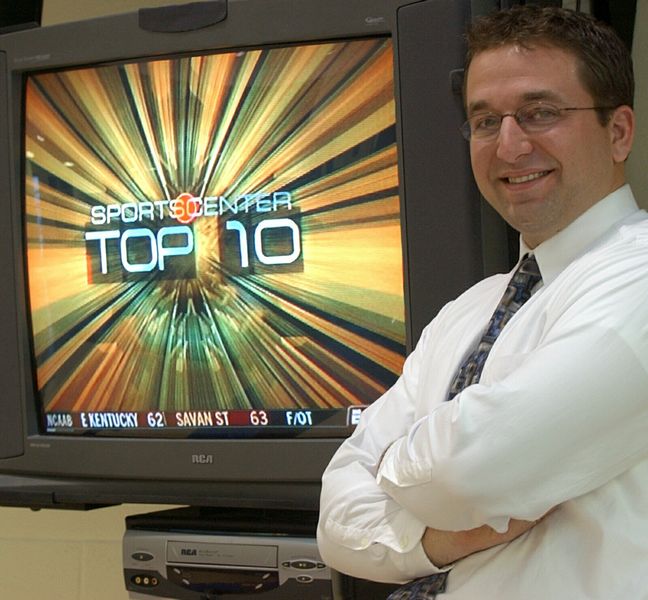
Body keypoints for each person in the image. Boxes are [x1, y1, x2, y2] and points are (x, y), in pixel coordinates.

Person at [317, 5, 648, 599]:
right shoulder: (466, 311)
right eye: (486, 121)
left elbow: (466, 472)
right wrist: (435, 541)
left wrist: (389, 466)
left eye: (540, 113)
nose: (510, 146)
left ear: (619, 132)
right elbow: (336, 524)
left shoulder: (639, 275)